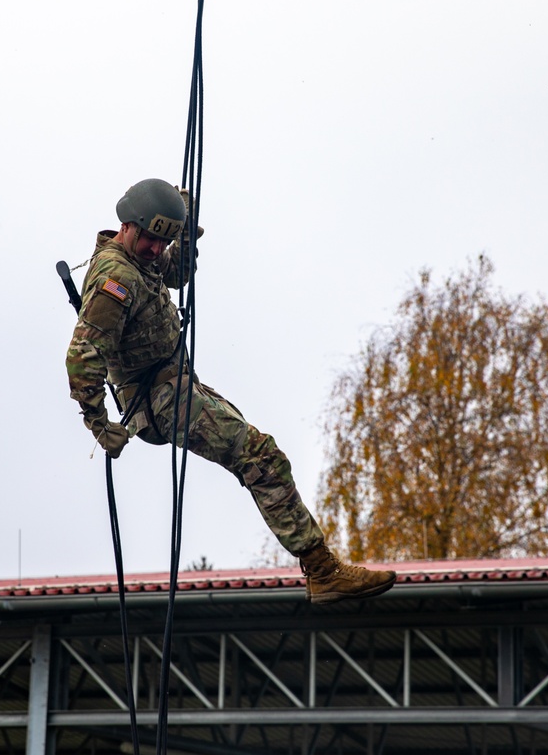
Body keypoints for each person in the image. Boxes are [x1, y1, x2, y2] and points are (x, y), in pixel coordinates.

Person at [65, 178, 396, 605]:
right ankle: (323, 571)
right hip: (159, 400)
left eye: (162, 242)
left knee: (261, 455)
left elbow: (177, 274)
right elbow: (82, 355)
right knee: (259, 455)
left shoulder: (139, 260)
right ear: (128, 224)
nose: (155, 250)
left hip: (176, 385)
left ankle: (322, 569)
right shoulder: (117, 276)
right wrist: (98, 423)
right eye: (151, 239)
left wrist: (186, 231)